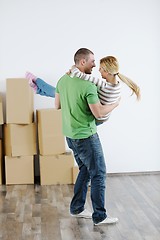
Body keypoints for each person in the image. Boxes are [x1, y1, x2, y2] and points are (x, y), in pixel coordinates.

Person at [55, 48, 120, 226]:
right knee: (98, 173)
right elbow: (98, 113)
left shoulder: (63, 80)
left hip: (70, 135)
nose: (95, 65)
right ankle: (100, 216)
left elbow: (57, 105)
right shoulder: (89, 86)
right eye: (92, 61)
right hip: (86, 137)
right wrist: (114, 105)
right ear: (82, 62)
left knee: (85, 170)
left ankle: (77, 208)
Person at [26, 56, 140, 123]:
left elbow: (80, 75)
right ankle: (38, 89)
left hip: (94, 117)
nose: (98, 70)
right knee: (62, 92)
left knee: (61, 92)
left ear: (107, 72)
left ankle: (36, 81)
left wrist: (72, 69)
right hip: (102, 117)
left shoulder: (102, 85)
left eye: (100, 69)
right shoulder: (118, 85)